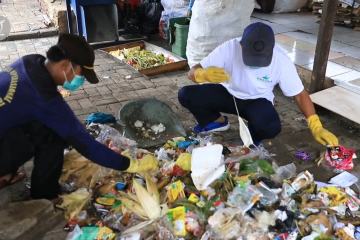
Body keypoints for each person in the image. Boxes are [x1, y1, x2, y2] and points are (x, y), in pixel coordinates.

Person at [0, 34, 158, 201]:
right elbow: (86, 145)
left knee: (50, 126)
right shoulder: (44, 96)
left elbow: (60, 117)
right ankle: (43, 195)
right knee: (54, 134)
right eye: (81, 74)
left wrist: (74, 128)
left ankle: (9, 173)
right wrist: (130, 164)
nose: (80, 80)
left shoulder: (31, 62)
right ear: (66, 65)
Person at [178, 22, 339, 147]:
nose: (255, 64)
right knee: (186, 95)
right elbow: (192, 72)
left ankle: (251, 137)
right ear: (241, 45)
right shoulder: (229, 48)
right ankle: (216, 122)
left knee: (271, 127)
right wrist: (201, 74)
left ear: (272, 49)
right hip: (227, 93)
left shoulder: (281, 61)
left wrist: (315, 125)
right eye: (251, 57)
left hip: (257, 100)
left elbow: (300, 94)